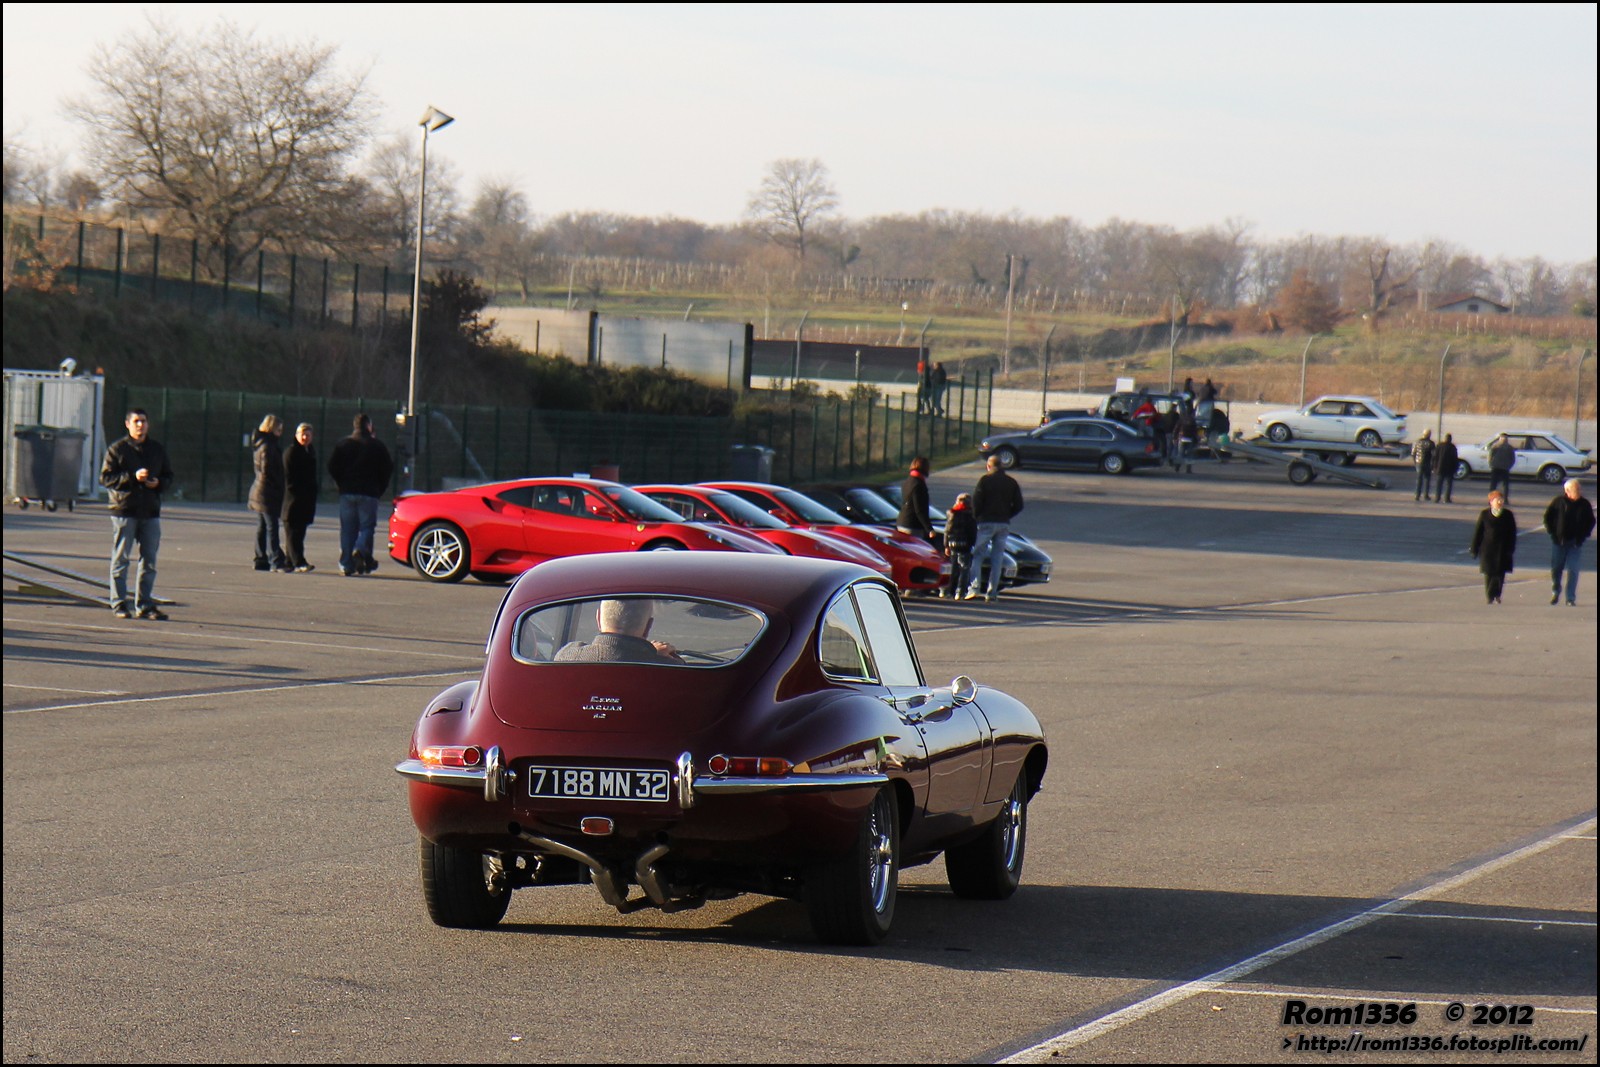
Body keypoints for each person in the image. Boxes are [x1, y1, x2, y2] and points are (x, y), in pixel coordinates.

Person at [99, 408, 174, 620]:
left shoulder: (157, 449)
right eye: (136, 422)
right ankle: (119, 602)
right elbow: (106, 478)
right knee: (121, 558)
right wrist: (132, 477)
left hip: (150, 511)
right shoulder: (117, 449)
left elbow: (168, 475)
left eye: (144, 421)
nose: (140, 425)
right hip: (125, 510)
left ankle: (145, 604)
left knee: (149, 559)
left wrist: (158, 483)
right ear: (128, 424)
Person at [327, 412, 394, 577]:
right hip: (369, 492)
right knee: (367, 527)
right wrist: (380, 489)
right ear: (369, 426)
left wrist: (341, 483)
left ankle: (346, 563)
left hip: (347, 491)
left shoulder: (343, 444)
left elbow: (332, 466)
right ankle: (360, 549)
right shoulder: (377, 446)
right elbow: (387, 469)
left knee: (347, 529)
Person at [965, 452, 1024, 602]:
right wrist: (1007, 515)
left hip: (985, 522)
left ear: (989, 466)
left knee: (978, 555)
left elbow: (976, 503)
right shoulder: (1011, 482)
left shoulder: (985, 480)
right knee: (997, 558)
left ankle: (974, 588)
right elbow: (1019, 505)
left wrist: (977, 517)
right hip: (1003, 523)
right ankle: (992, 592)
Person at [554, 599, 682, 663]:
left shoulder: (566, 656)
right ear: (648, 627)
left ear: (598, 618)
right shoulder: (668, 667)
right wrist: (653, 654)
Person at [1543, 479, 1595, 606]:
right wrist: (1553, 534)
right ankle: (1556, 591)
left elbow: (1591, 521)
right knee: (1556, 568)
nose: (1578, 491)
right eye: (1575, 489)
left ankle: (1570, 598)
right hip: (1559, 542)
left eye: (1579, 489)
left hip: (1575, 543)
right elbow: (1547, 518)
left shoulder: (1584, 504)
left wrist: (1583, 536)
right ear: (1567, 491)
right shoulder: (1558, 502)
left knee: (1573, 569)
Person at [249, 414, 289, 573]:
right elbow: (268, 470)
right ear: (272, 429)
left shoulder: (261, 443)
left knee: (263, 526)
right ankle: (275, 560)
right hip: (267, 492)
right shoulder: (268, 446)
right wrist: (278, 485)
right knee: (271, 526)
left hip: (259, 490)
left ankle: (260, 558)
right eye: (278, 430)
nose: (280, 433)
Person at [283, 422, 319, 573]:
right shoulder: (291, 452)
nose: (305, 437)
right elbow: (288, 477)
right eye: (302, 434)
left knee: (299, 531)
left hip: (306, 500)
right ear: (296, 435)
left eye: (308, 434)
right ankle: (299, 561)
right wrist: (298, 491)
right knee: (293, 532)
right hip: (293, 499)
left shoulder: (310, 451)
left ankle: (288, 561)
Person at [1469, 490, 1517, 605]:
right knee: (1489, 573)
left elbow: (1512, 533)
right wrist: (1474, 548)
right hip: (1488, 549)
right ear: (1491, 502)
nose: (1500, 502)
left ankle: (1497, 595)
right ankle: (1490, 596)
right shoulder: (1485, 514)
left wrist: (1511, 548)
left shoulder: (1508, 514)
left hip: (1503, 549)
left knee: (1500, 574)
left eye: (1501, 499)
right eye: (1497, 500)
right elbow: (1478, 532)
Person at [942, 492, 976, 600]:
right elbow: (972, 532)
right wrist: (972, 544)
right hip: (964, 546)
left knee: (954, 569)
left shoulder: (952, 514)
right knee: (964, 569)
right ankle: (960, 591)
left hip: (952, 545)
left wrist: (946, 545)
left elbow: (947, 531)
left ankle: (949, 591)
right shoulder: (970, 516)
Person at [895, 457, 934, 542]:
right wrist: (929, 529)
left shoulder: (907, 482)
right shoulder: (919, 485)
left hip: (902, 522)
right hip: (913, 525)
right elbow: (919, 510)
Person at [1488, 434, 1516, 501]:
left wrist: (1491, 464)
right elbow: (1513, 459)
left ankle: (1491, 499)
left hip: (1496, 467)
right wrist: (1509, 465)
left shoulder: (1495, 446)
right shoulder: (1509, 447)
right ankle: (1505, 499)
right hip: (1505, 468)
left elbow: (1490, 456)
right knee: (1505, 485)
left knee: (1493, 484)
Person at [1410, 428, 1436, 502]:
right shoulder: (1431, 443)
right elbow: (1434, 455)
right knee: (1427, 479)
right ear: (1429, 435)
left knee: (1419, 479)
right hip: (1427, 463)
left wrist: (1415, 462)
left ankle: (1417, 495)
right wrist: (1432, 464)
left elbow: (1413, 453)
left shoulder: (1417, 442)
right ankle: (1426, 495)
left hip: (1419, 462)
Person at [1432, 434, 1458, 503]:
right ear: (1450, 439)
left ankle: (1437, 498)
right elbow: (1455, 459)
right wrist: (1455, 468)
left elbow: (1435, 457)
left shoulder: (1439, 446)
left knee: (1439, 484)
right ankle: (1447, 498)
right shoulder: (1452, 447)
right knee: (1448, 485)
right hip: (1449, 469)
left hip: (1440, 468)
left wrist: (1434, 467)